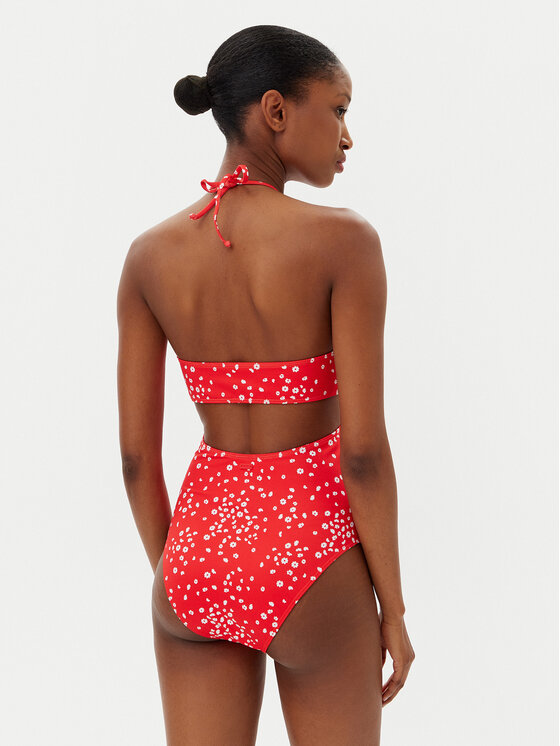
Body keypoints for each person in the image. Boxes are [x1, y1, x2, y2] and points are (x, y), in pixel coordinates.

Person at [117, 23, 414, 746]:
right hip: (311, 554)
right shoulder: (343, 241)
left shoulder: (149, 256)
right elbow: (363, 454)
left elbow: (134, 459)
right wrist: (395, 611)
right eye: (338, 109)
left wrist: (188, 575)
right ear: (276, 111)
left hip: (196, 552)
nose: (347, 136)